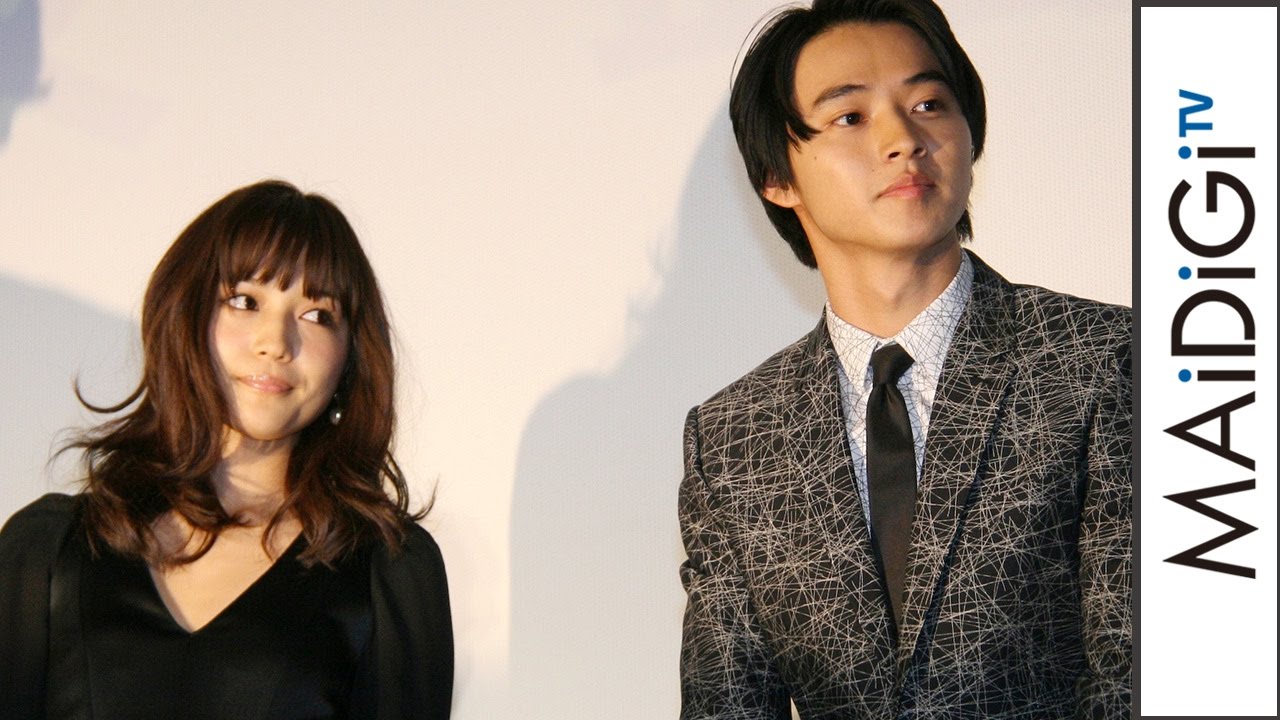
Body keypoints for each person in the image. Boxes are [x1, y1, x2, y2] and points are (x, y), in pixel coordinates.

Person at [677, 1, 1131, 718]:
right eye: (850, 116)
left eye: (928, 104)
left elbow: (1140, 675)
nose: (903, 139)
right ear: (777, 177)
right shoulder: (733, 439)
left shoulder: (1102, 360)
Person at [0, 180, 453, 719]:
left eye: (317, 315)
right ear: (185, 315)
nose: (276, 342)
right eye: (245, 301)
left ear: (350, 358)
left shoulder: (387, 577)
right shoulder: (48, 553)